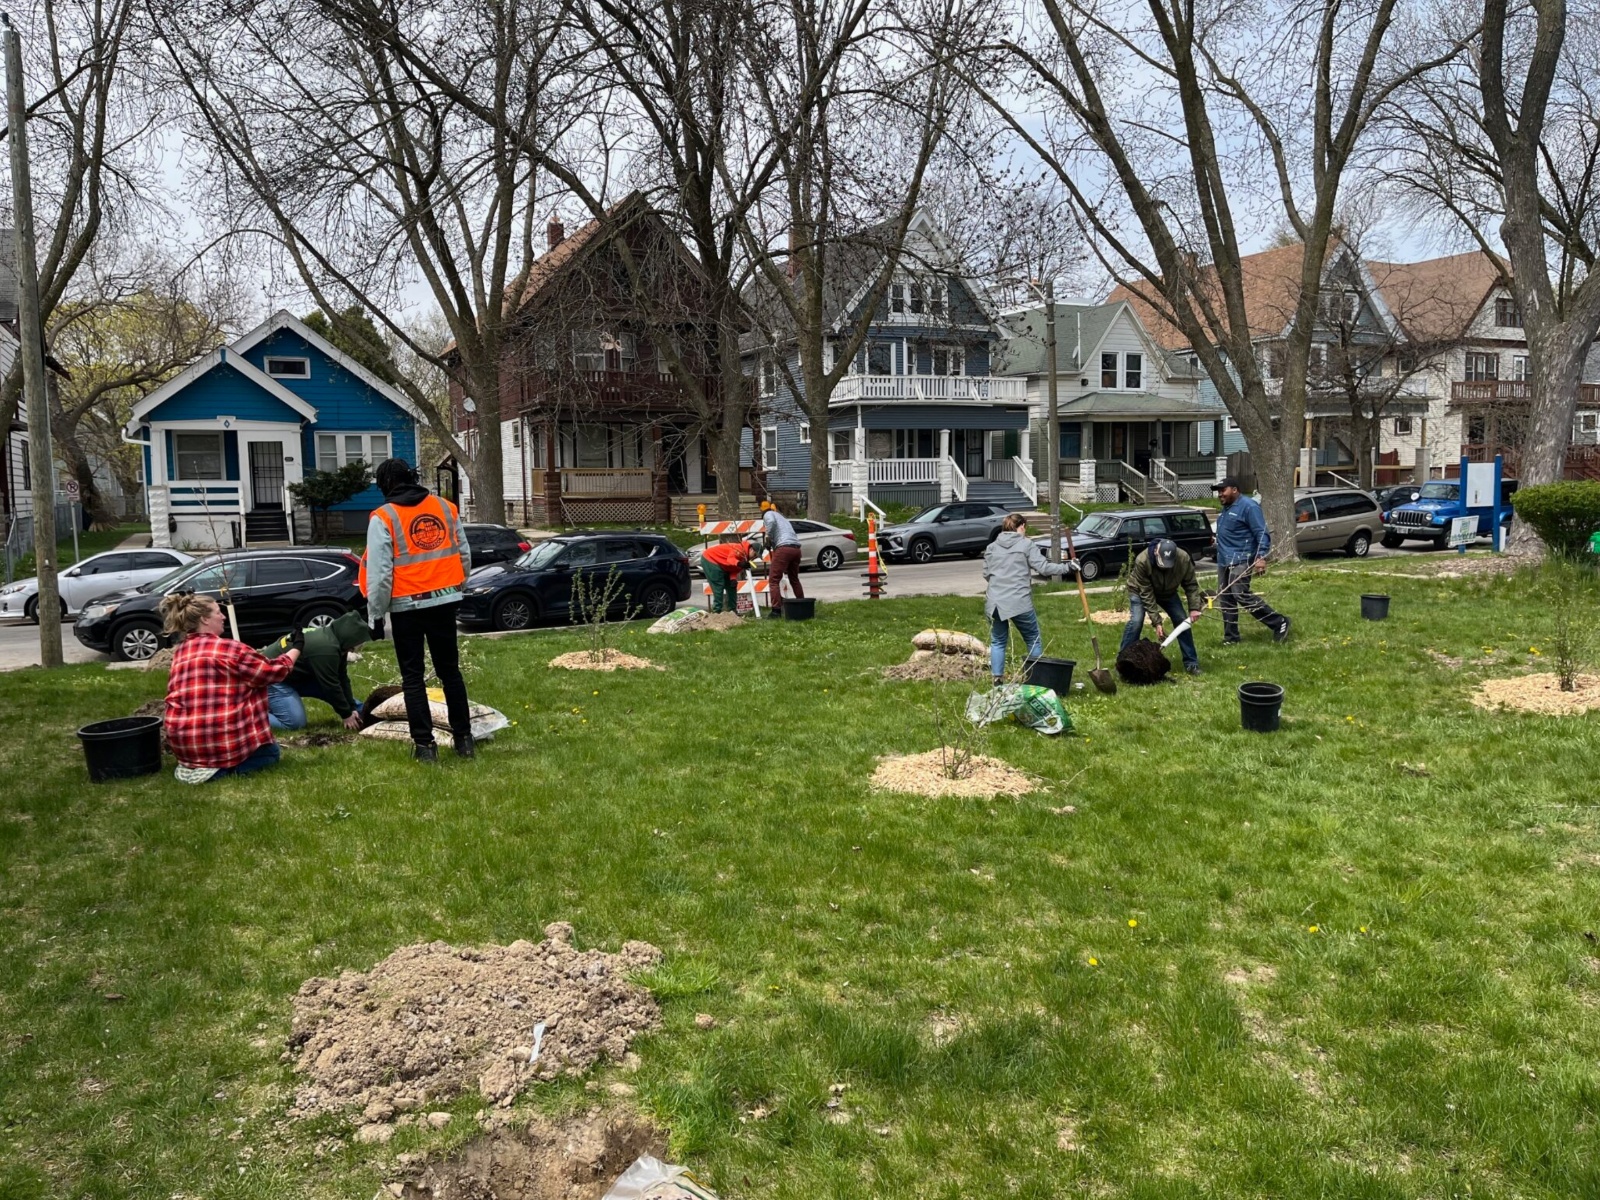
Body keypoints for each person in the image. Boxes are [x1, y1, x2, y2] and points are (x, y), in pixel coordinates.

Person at [361, 457, 475, 763]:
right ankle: (464, 740)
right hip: (444, 602)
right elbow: (463, 553)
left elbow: (380, 573)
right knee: (450, 672)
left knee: (413, 678)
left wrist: (375, 614)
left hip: (405, 608)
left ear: (384, 484)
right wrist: (456, 587)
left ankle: (425, 747)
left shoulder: (383, 517)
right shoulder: (444, 507)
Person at [160, 591, 300, 784]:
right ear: (204, 619)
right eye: (218, 612)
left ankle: (203, 765)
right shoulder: (229, 648)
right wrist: (296, 649)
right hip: (219, 742)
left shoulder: (181, 652)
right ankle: (223, 770)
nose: (223, 616)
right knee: (271, 753)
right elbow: (272, 672)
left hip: (185, 746)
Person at [982, 512, 1073, 685]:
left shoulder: (992, 547)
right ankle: (1036, 679)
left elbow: (986, 574)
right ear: (1021, 526)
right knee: (1033, 638)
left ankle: (997, 679)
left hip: (994, 602)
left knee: (998, 640)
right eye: (1025, 528)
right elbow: (1044, 568)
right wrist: (1067, 567)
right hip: (1019, 601)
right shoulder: (1026, 544)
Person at [261, 611, 374, 731]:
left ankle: (368, 714)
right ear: (351, 637)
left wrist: (351, 708)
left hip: (295, 675)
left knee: (349, 703)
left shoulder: (335, 641)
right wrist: (346, 715)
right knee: (294, 723)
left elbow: (342, 679)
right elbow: (330, 685)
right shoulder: (326, 649)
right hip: (272, 678)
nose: (358, 647)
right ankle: (250, 716)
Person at [1212, 476, 1290, 644]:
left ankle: (1279, 622)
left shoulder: (1249, 507)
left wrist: (1261, 557)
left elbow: (1261, 533)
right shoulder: (1226, 508)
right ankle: (1231, 638)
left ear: (1234, 489)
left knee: (1240, 594)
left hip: (1242, 558)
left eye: (1222, 490)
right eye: (1218, 491)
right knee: (1226, 599)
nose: (1220, 494)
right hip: (1224, 560)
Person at [1121, 538, 1204, 676]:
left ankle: (1191, 663)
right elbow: (1146, 593)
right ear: (1156, 552)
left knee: (1182, 620)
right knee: (1136, 621)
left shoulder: (1183, 558)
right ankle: (1123, 662)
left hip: (1168, 592)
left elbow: (1191, 584)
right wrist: (1157, 622)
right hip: (1139, 590)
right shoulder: (1143, 560)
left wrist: (1194, 607)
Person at [761, 503, 804, 613]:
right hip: (796, 549)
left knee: (773, 580)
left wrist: (768, 538)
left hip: (784, 548)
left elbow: (770, 522)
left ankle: (776, 610)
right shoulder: (782, 518)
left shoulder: (768, 514)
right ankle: (803, 605)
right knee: (794, 579)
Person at [699, 538, 753, 614]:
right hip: (711, 559)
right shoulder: (740, 549)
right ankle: (716, 611)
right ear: (752, 550)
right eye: (755, 555)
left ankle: (732, 611)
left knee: (732, 587)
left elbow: (734, 569)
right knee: (718, 585)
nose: (755, 557)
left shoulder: (745, 558)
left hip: (723, 565)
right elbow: (730, 559)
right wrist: (739, 563)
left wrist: (733, 579)